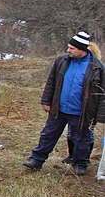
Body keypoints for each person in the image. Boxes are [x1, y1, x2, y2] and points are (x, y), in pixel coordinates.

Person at [22, 31, 105, 176]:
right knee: (48, 135)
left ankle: (80, 164)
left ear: (82, 49)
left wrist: (99, 116)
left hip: (82, 112)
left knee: (81, 139)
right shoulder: (62, 60)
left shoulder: (98, 68)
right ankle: (36, 160)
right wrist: (46, 101)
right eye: (69, 47)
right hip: (59, 109)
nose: (68, 50)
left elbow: (102, 93)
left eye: (72, 48)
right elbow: (51, 82)